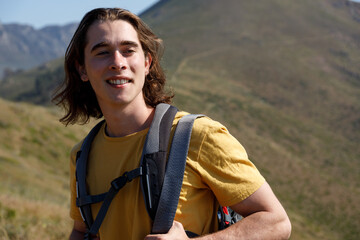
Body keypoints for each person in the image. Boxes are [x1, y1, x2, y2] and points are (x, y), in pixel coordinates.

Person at [53, 8, 291, 240]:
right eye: (102, 52)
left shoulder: (198, 135)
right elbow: (82, 231)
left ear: (147, 63)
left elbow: (276, 221)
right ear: (82, 68)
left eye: (128, 50)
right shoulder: (83, 155)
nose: (118, 62)